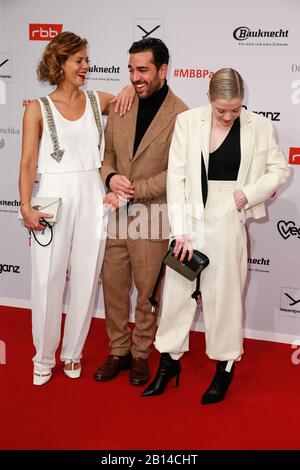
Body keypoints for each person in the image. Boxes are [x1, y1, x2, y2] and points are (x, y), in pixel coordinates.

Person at [141, 68, 290, 403]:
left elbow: (280, 169)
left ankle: (224, 367)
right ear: (208, 98)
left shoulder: (260, 127)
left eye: (235, 110)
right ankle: (168, 363)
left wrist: (250, 193)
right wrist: (180, 230)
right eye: (221, 109)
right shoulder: (188, 122)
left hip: (228, 219)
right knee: (177, 295)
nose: (227, 116)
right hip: (188, 221)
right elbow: (176, 177)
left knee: (224, 298)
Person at [19, 31, 134, 386]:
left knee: (86, 279)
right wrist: (25, 205)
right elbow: (26, 163)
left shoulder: (98, 99)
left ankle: (72, 353)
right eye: (78, 60)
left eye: (86, 60)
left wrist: (128, 88)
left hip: (91, 194)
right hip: (52, 194)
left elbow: (129, 99)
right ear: (60, 63)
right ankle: (43, 357)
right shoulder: (37, 108)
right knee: (46, 279)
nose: (86, 66)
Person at [93, 38, 188, 386]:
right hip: (116, 214)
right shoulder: (122, 103)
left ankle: (140, 354)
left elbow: (177, 171)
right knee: (114, 287)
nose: (135, 77)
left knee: (148, 291)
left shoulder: (181, 114)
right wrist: (111, 177)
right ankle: (117, 350)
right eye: (131, 69)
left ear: (163, 71)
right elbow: (106, 156)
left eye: (143, 70)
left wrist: (133, 191)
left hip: (152, 214)